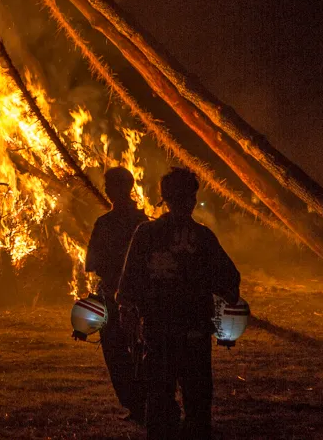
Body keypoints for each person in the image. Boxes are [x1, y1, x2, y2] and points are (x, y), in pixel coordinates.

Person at [117, 167, 241, 440]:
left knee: (164, 401)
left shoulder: (148, 234)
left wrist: (130, 312)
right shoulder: (201, 238)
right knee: (191, 403)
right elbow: (230, 282)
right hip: (185, 333)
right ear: (190, 199)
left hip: (165, 333)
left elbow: (127, 286)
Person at [85, 167, 147, 423]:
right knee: (137, 352)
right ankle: (140, 404)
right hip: (137, 297)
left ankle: (137, 403)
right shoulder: (143, 222)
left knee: (119, 353)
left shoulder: (107, 223)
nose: (109, 190)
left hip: (118, 297)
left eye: (111, 185)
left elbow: (92, 263)